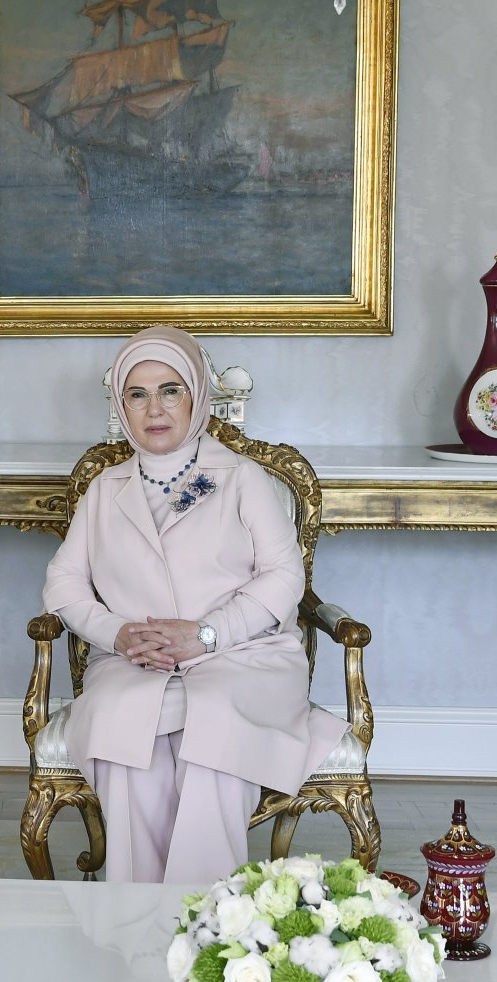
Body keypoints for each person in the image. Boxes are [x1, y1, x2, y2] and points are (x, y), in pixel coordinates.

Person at [41, 327, 346, 885]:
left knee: (214, 737)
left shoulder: (242, 478)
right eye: (137, 394)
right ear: (121, 406)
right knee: (128, 739)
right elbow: (63, 583)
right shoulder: (105, 490)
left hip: (242, 657)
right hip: (137, 661)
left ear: (198, 396)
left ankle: (209, 925)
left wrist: (207, 634)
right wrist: (119, 633)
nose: (154, 408)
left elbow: (285, 577)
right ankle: (136, 926)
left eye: (170, 390)